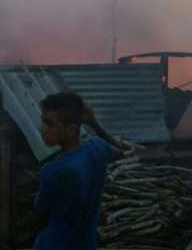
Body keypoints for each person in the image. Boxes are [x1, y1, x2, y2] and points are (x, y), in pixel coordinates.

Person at [34, 92, 125, 250]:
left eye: (49, 124)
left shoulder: (52, 171)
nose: (42, 129)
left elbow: (40, 212)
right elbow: (120, 150)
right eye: (43, 121)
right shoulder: (97, 148)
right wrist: (94, 123)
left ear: (71, 130)